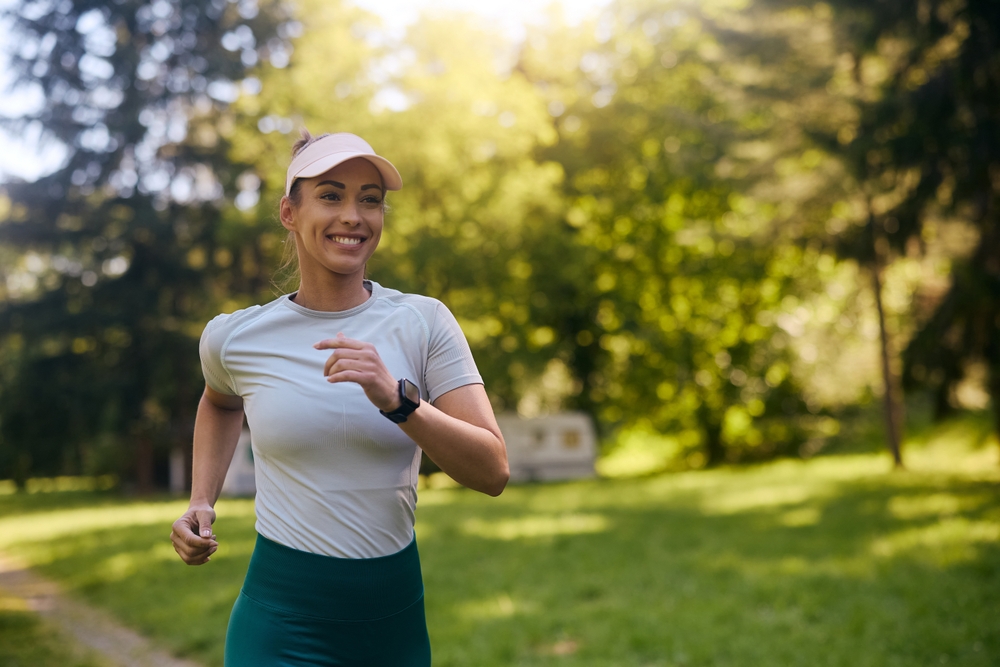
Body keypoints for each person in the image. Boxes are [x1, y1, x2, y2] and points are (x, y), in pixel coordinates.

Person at [169, 130, 509, 666]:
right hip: (280, 623)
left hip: (392, 626)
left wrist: (399, 402)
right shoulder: (236, 337)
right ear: (289, 211)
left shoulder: (424, 322)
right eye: (331, 195)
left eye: (370, 200)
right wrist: (199, 500)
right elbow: (219, 401)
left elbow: (492, 472)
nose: (354, 215)